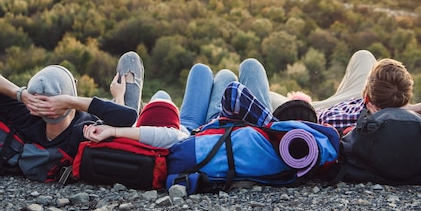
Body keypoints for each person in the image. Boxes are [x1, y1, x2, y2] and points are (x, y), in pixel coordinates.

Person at [0, 51, 144, 157]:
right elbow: (127, 118)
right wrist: (73, 101)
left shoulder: (24, 117)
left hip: (102, 113)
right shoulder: (84, 131)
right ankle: (132, 101)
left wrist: (21, 94)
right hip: (110, 114)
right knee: (131, 60)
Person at [273, 50, 421, 133]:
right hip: (366, 102)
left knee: (273, 97)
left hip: (320, 112)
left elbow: (314, 123)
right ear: (407, 93)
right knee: (364, 55)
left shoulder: (347, 122)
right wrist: (418, 108)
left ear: (367, 94)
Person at [83, 58, 276, 148]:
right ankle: (131, 111)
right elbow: (164, 136)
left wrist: (119, 98)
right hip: (208, 132)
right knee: (231, 73)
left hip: (184, 129)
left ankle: (131, 110)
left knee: (195, 73)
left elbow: (156, 134)